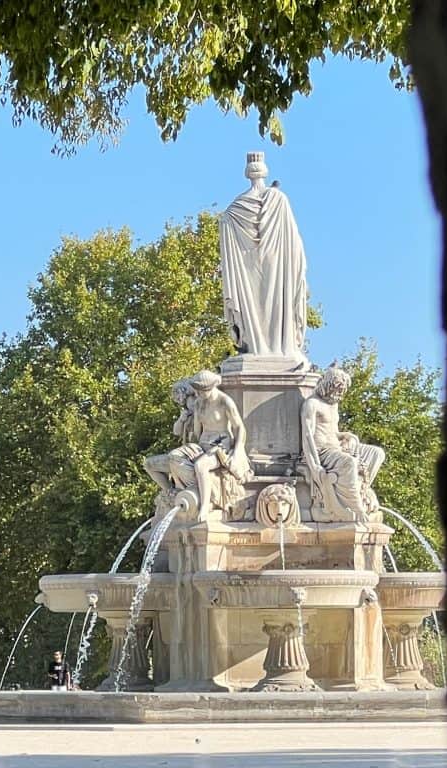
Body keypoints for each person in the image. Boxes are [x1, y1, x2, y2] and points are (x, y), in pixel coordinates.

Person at [219, 152, 309, 362]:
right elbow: (294, 245)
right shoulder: (279, 200)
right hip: (278, 265)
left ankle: (254, 345)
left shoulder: (233, 211)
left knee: (252, 307)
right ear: (264, 173)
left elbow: (226, 233)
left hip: (247, 268)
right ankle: (281, 346)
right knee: (279, 307)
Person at [301, 365, 385, 521]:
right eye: (337, 389)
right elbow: (307, 436)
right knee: (350, 462)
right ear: (328, 385)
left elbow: (332, 431)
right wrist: (315, 466)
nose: (339, 393)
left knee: (377, 454)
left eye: (342, 390)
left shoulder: (334, 404)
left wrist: (345, 435)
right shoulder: (312, 404)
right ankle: (355, 507)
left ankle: (361, 491)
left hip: (337, 447)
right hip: (323, 452)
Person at [168, 370, 251, 518]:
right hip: (203, 443)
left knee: (201, 465)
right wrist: (188, 446)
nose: (197, 394)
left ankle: (205, 505)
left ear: (210, 388)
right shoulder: (199, 403)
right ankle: (191, 489)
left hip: (221, 445)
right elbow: (196, 432)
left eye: (201, 391)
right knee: (173, 456)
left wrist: (238, 450)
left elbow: (239, 427)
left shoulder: (224, 401)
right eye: (197, 391)